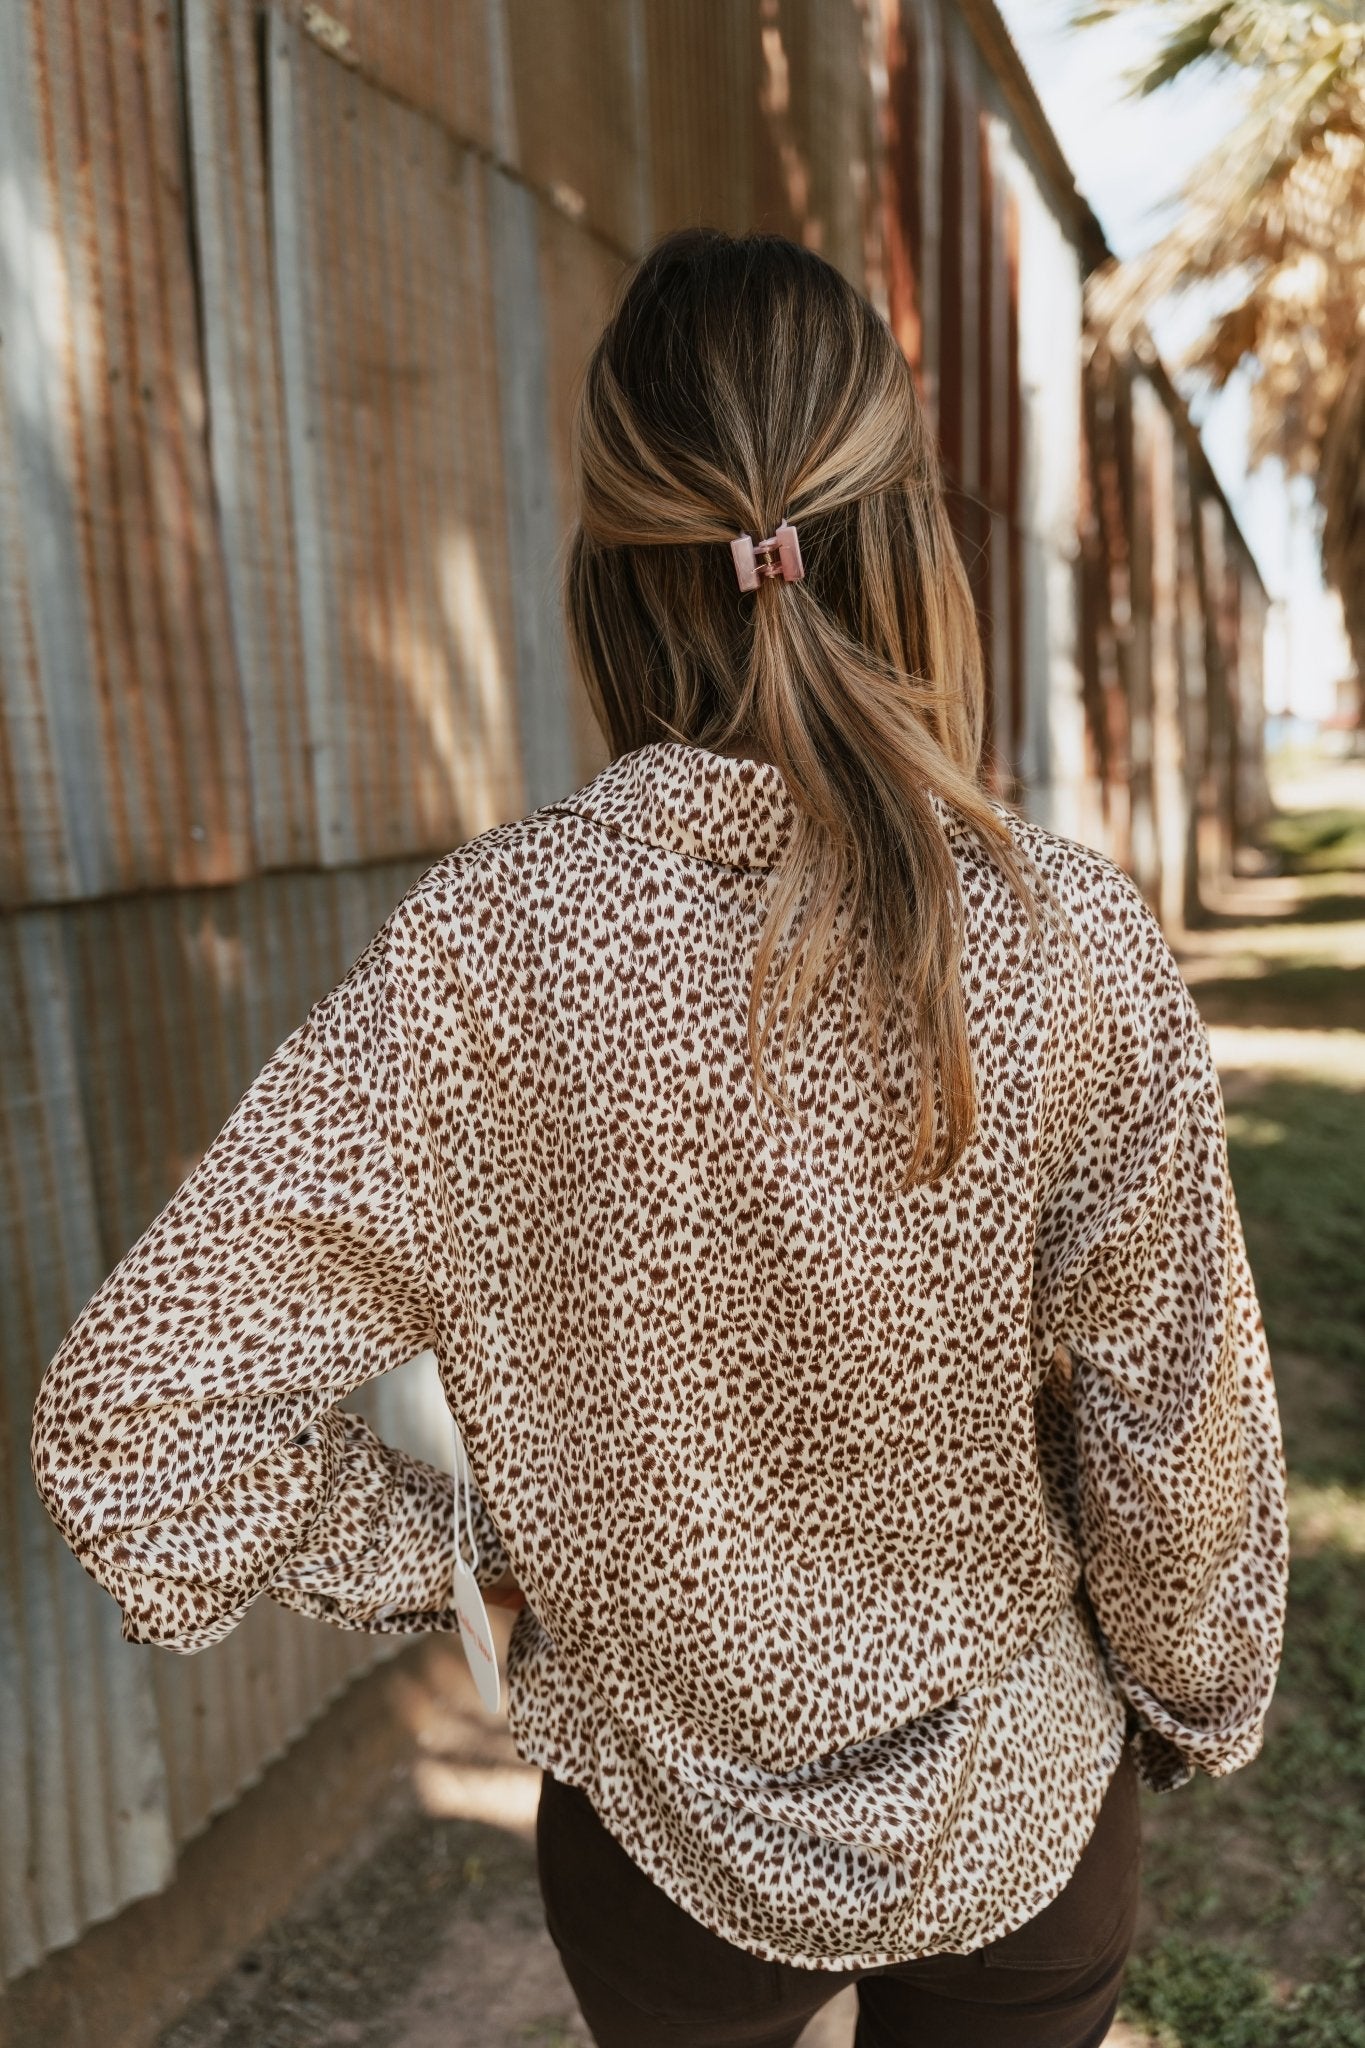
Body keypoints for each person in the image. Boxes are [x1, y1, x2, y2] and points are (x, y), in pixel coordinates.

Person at [30, 228, 1289, 2048]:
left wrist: (477, 1574)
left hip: (657, 1827)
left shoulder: (483, 951)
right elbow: (1177, 1415)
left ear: (612, 569)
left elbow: (139, 1428)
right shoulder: (1063, 937)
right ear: (907, 543)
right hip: (1020, 1795)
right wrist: (1195, 1694)